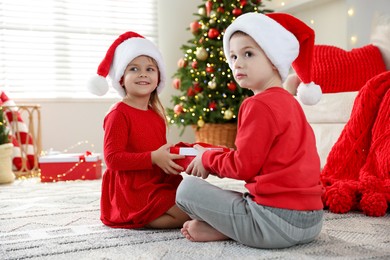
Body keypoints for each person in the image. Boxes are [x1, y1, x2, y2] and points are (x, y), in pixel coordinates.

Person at [176, 13, 324, 249]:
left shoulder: (257, 105)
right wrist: (214, 155)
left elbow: (242, 166)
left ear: (274, 60)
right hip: (313, 222)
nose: (237, 63)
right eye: (233, 56)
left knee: (186, 190)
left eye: (248, 54)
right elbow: (257, 158)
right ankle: (230, 226)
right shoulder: (290, 103)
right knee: (244, 196)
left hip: (275, 223)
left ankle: (230, 228)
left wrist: (207, 159)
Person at [88, 31, 190, 229]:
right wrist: (152, 158)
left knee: (195, 203)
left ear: (158, 77)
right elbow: (112, 159)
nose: (143, 74)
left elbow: (157, 153)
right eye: (134, 68)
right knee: (184, 216)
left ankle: (155, 210)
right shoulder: (119, 113)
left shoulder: (156, 116)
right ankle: (135, 216)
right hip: (131, 188)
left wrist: (175, 158)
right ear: (121, 78)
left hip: (153, 181)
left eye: (150, 69)